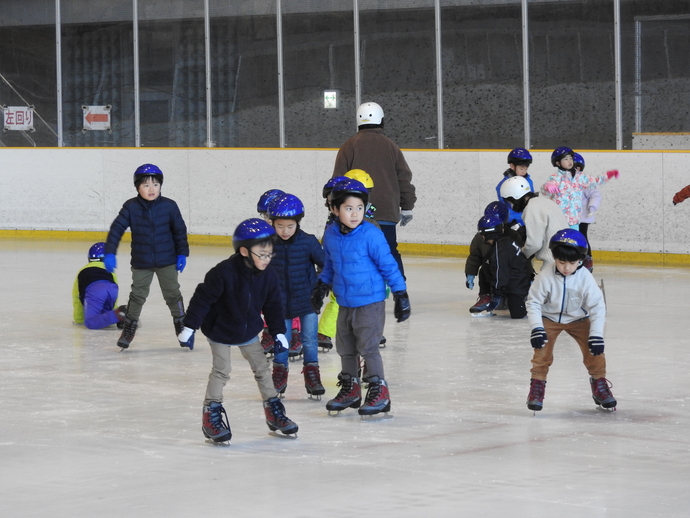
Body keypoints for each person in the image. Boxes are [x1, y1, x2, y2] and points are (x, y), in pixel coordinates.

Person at [176, 218, 298, 443]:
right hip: (220, 329)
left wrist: (278, 332)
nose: (266, 259)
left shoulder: (269, 276)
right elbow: (202, 299)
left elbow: (273, 305)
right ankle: (211, 414)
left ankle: (274, 411)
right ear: (244, 251)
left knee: (262, 368)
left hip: (248, 330)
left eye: (269, 254)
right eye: (261, 255)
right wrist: (190, 326)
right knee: (222, 370)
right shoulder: (223, 273)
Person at [311, 179, 411, 418]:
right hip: (345, 300)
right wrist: (321, 287)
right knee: (345, 347)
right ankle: (351, 388)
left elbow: (388, 265)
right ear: (335, 209)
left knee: (368, 347)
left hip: (370, 301)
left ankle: (379, 390)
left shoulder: (371, 234)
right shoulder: (332, 235)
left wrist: (400, 294)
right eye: (348, 208)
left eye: (359, 208)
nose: (355, 214)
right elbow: (330, 265)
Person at [525, 229, 616, 412]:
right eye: (561, 262)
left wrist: (596, 334)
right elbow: (533, 302)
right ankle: (537, 387)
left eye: (572, 263)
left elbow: (598, 307)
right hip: (549, 318)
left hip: (579, 319)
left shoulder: (585, 279)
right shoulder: (545, 277)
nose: (566, 267)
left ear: (580, 261)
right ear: (554, 258)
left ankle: (599, 386)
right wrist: (537, 328)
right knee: (541, 352)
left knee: (595, 352)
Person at [104, 164, 190, 350]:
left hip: (167, 260)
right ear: (137, 187)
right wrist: (110, 251)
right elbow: (117, 228)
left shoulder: (169, 206)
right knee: (137, 295)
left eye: (155, 184)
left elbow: (179, 231)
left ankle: (183, 327)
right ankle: (129, 328)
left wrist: (182, 252)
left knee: (172, 293)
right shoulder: (131, 207)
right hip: (142, 262)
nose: (151, 189)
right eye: (145, 185)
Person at [332, 102, 417, 278]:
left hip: (356, 213)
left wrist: (335, 207)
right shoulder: (391, 146)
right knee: (389, 251)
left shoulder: (349, 146)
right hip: (386, 212)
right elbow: (403, 178)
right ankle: (399, 292)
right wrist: (407, 206)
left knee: (357, 252)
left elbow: (337, 181)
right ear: (382, 121)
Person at [266, 193, 326, 400]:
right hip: (279, 303)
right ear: (272, 223)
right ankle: (279, 375)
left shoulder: (308, 242)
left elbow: (325, 265)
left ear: (297, 223)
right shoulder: (267, 244)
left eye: (290, 226)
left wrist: (319, 286)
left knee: (309, 341)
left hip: (307, 301)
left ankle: (312, 375)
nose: (285, 231)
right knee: (281, 340)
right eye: (280, 226)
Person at [541, 147, 619, 229]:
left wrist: (608, 175)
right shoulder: (556, 177)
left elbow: (594, 182)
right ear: (558, 163)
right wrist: (547, 187)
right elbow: (545, 192)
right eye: (566, 159)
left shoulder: (580, 177)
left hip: (574, 220)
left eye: (571, 158)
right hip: (558, 219)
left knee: (573, 240)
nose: (569, 161)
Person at [500, 176, 568, 269]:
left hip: (554, 263)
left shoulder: (532, 208)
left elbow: (534, 244)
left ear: (515, 198)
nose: (511, 205)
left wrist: (519, 256)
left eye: (510, 201)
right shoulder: (544, 201)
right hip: (567, 258)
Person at [466, 201, 523, 313]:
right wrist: (470, 272)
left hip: (510, 273)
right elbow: (475, 256)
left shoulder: (513, 235)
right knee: (485, 269)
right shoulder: (480, 237)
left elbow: (521, 257)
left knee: (515, 308)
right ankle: (485, 296)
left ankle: (513, 296)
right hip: (491, 272)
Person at [473, 214, 532, 319]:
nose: (481, 237)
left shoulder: (500, 250)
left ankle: (529, 301)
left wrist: (497, 293)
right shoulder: (505, 241)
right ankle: (487, 296)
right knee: (486, 265)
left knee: (518, 315)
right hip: (517, 280)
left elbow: (500, 271)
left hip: (518, 285)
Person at [72, 242, 127, 329]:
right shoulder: (110, 270)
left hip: (95, 290)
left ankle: (118, 314)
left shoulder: (83, 270)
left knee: (90, 323)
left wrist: (79, 319)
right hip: (112, 289)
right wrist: (115, 310)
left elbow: (76, 296)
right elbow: (114, 290)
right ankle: (121, 317)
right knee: (104, 313)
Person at [495, 148, 534, 229]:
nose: (524, 172)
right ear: (512, 166)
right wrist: (514, 222)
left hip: (527, 220)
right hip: (513, 222)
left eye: (526, 169)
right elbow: (505, 206)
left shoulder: (528, 181)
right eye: (521, 169)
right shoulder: (503, 185)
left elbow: (531, 201)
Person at [574, 153, 601, 272]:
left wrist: (592, 207)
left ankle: (587, 259)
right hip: (568, 217)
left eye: (577, 167)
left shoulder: (584, 181)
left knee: (582, 237)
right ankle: (571, 260)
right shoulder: (563, 181)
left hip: (582, 217)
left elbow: (594, 194)